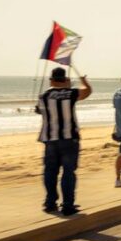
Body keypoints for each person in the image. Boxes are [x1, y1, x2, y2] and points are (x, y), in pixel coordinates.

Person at [38, 67, 91, 215]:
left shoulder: (43, 96)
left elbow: (40, 111)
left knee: (50, 171)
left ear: (51, 79)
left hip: (50, 139)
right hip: (69, 139)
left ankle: (50, 203)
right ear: (65, 79)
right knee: (68, 172)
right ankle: (67, 204)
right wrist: (84, 81)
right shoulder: (72, 93)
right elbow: (87, 91)